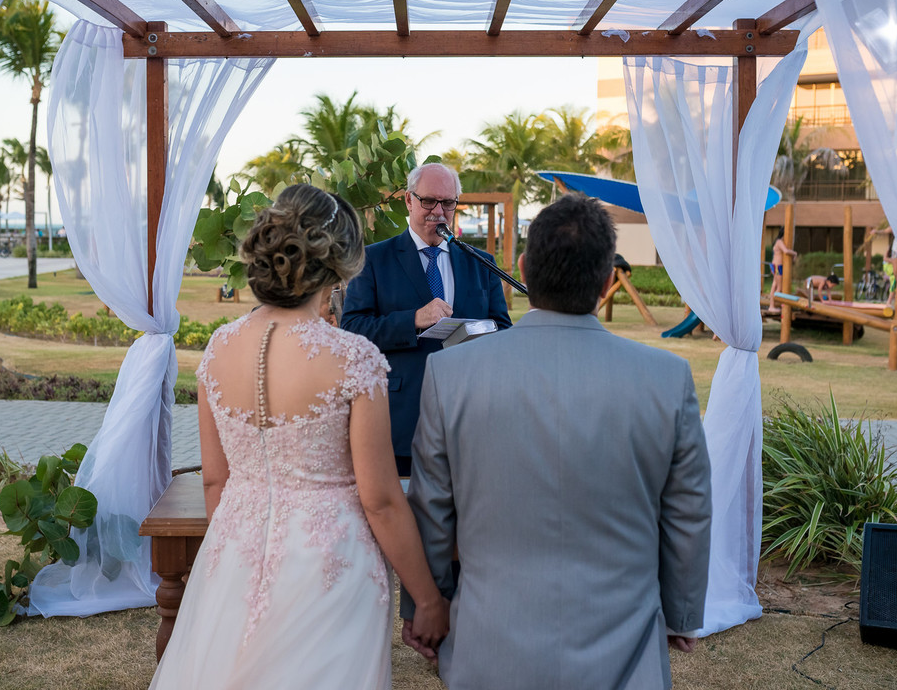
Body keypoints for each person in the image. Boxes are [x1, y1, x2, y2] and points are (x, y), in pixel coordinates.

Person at [402, 193, 712, 689]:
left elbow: (431, 506)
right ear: (609, 278)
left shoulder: (451, 373)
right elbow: (688, 510)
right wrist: (681, 612)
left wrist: (426, 604)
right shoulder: (667, 379)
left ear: (524, 270)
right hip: (624, 651)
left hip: (489, 645)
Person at [149, 185, 449, 690]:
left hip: (234, 556)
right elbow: (380, 501)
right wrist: (428, 599)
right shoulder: (354, 360)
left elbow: (216, 482)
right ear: (339, 266)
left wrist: (242, 552)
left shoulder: (217, 350)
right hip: (330, 565)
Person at [341, 163, 513, 475]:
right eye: (428, 201)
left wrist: (478, 333)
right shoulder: (373, 260)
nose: (439, 211)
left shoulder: (481, 263)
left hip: (469, 421)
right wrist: (414, 319)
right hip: (401, 420)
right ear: (408, 200)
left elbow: (503, 329)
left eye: (448, 203)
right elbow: (352, 330)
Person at [767, 235, 797, 312]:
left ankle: (772, 305)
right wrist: (794, 253)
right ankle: (773, 306)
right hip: (777, 266)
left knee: (774, 286)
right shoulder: (779, 241)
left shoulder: (779, 242)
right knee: (779, 287)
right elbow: (786, 251)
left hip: (775, 266)